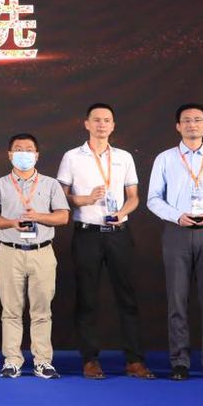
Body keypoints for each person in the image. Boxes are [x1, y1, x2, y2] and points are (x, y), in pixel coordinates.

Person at [55, 103, 152, 379]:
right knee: (87, 298)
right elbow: (59, 196)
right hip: (87, 233)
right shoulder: (72, 157)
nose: (101, 125)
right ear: (86, 124)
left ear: (113, 125)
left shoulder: (124, 157)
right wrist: (85, 199)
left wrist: (122, 213)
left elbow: (133, 197)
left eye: (107, 120)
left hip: (119, 233)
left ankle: (134, 360)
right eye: (96, 120)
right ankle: (90, 360)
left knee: (128, 297)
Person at [146, 103, 203, 381]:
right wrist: (177, 216)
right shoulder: (165, 159)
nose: (192, 124)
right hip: (177, 231)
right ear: (178, 126)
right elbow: (153, 198)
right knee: (177, 299)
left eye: (197, 120)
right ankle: (180, 362)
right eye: (186, 120)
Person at [0, 133, 71, 379]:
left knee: (42, 310)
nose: (24, 154)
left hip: (42, 252)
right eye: (18, 149)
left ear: (37, 155)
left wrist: (38, 217)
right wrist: (11, 223)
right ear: (10, 154)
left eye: (29, 149)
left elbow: (63, 216)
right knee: (11, 310)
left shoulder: (50, 184)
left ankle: (43, 361)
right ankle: (12, 360)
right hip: (10, 252)